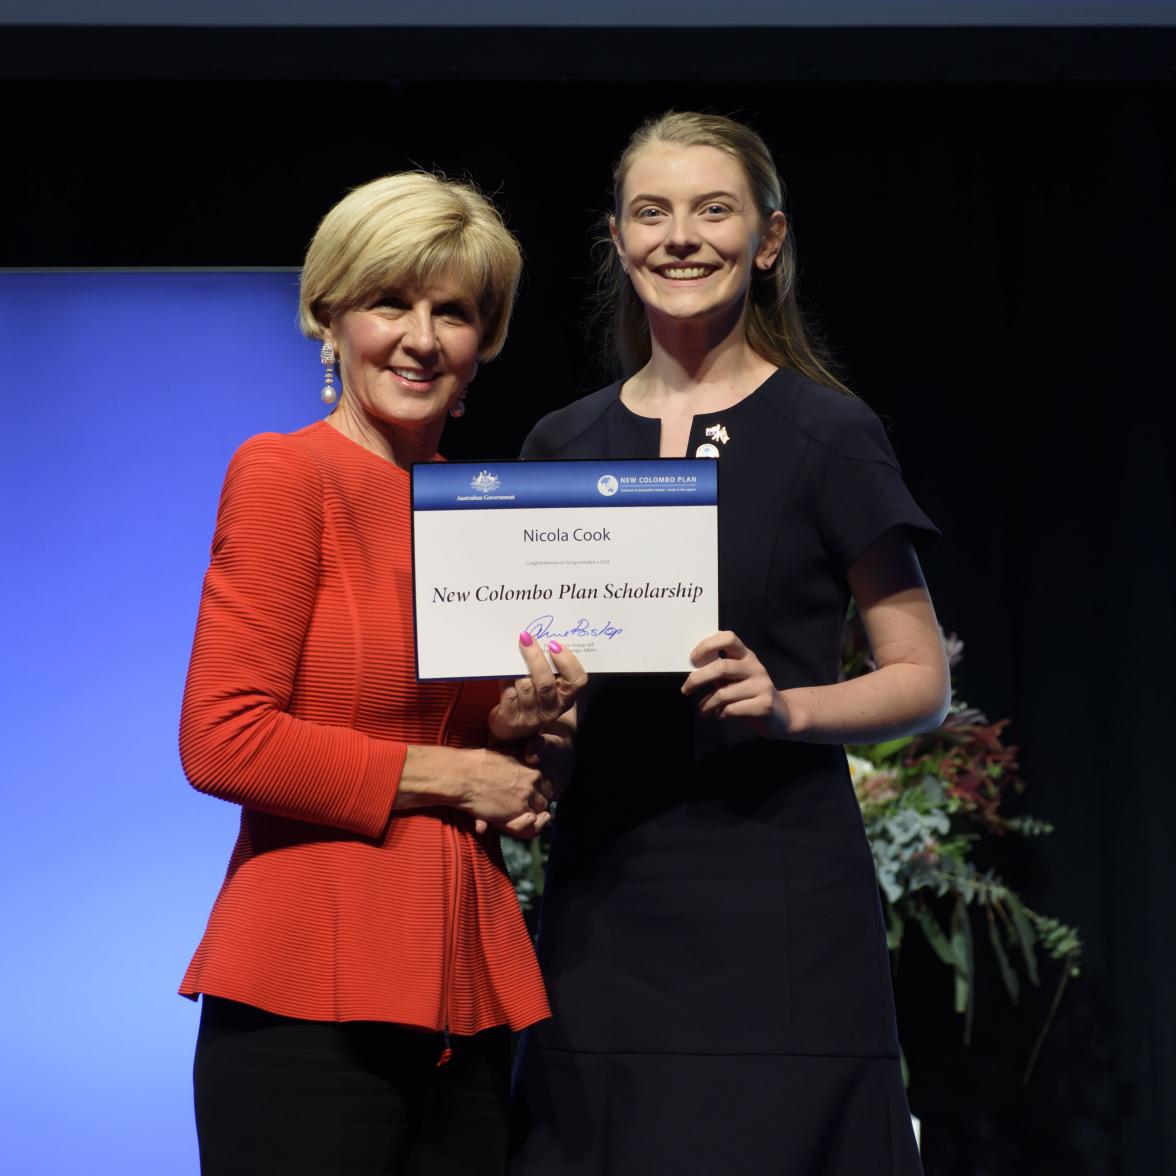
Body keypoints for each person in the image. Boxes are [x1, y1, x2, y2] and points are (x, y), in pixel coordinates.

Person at [509, 112, 950, 1175]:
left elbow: (921, 678)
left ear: (769, 240)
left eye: (715, 210)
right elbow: (561, 708)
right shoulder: (560, 444)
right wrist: (535, 731)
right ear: (616, 240)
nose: (680, 236)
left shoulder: (827, 432)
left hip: (781, 912)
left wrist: (788, 705)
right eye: (651, 212)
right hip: (607, 910)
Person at [179, 171, 582, 1175]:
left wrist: (530, 738)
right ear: (329, 318)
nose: (420, 337)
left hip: (467, 989)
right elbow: (223, 738)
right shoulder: (284, 474)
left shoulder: (480, 504)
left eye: (453, 313)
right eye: (389, 303)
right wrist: (456, 775)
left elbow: (482, 748)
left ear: (481, 344)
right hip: (306, 1000)